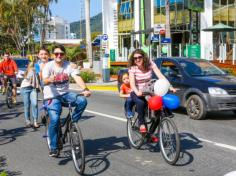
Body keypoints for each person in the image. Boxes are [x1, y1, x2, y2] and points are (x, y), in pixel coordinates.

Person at [42, 44, 91, 157]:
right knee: (54, 119)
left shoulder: (68, 65)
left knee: (82, 101)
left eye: (61, 54)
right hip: (51, 96)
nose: (59, 55)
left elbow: (77, 77)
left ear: (64, 55)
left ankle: (72, 123)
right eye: (56, 54)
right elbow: (44, 81)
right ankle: (54, 147)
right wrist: (50, 79)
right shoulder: (48, 66)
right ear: (53, 55)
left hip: (65, 94)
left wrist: (85, 88)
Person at [128, 49, 176, 133]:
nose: (137, 60)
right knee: (141, 103)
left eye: (139, 57)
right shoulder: (133, 68)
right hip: (137, 92)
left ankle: (149, 134)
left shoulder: (150, 64)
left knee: (158, 111)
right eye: (135, 58)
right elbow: (132, 84)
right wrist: (137, 92)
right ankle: (142, 124)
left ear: (144, 57)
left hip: (149, 90)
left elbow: (160, 76)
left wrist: (170, 86)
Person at [20, 58, 42, 128]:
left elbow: (39, 78)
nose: (33, 66)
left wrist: (41, 88)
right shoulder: (29, 71)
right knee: (27, 105)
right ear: (29, 66)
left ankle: (35, 121)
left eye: (33, 64)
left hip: (33, 88)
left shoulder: (36, 68)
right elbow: (28, 77)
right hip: (24, 88)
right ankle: (28, 121)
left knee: (35, 104)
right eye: (31, 65)